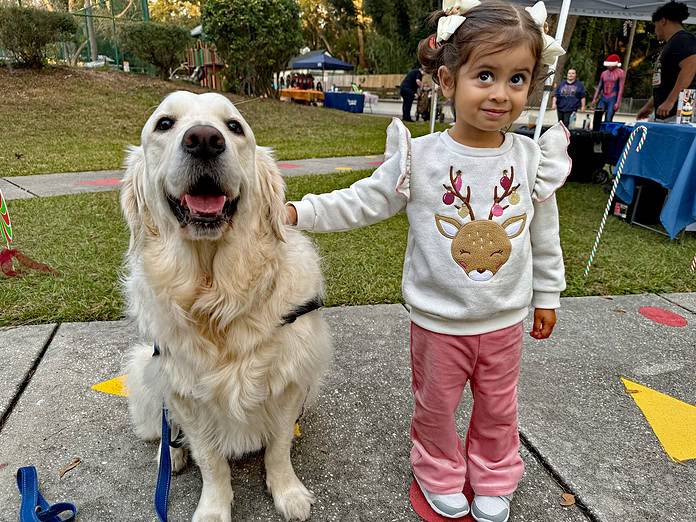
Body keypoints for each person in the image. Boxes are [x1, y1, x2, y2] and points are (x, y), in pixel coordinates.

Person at [286, 1, 568, 520]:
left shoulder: (531, 160)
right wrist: (298, 211)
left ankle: (493, 474)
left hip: (504, 321)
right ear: (446, 78)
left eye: (518, 79)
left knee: (499, 410)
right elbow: (363, 199)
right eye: (485, 75)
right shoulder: (421, 157)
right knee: (436, 410)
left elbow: (542, 237)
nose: (501, 93)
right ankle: (438, 470)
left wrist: (547, 295)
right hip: (437, 324)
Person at [637, 1, 696, 121]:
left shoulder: (683, 39)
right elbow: (665, 83)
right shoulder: (672, 43)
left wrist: (670, 101)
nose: (655, 30)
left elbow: (691, 65)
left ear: (663, 21)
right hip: (668, 112)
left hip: (683, 107)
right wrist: (650, 105)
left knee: (681, 138)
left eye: (655, 25)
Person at [591, 54, 625, 122]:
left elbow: (621, 89)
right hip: (604, 97)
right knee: (597, 115)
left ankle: (606, 131)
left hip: (613, 97)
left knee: (608, 118)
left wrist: (617, 102)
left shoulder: (620, 73)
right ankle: (596, 130)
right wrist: (594, 99)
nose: (609, 66)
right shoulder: (604, 73)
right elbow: (599, 87)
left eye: (610, 65)